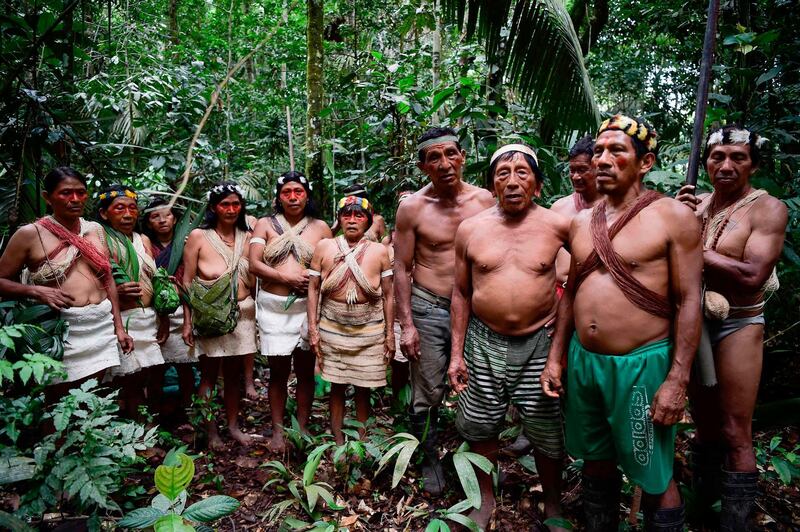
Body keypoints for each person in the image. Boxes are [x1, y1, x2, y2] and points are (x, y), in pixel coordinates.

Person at [540, 114, 703, 531]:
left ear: (644, 163)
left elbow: (688, 302)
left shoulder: (672, 218)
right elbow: (570, 294)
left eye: (617, 151)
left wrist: (677, 380)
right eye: (598, 151)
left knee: (652, 470)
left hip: (641, 366)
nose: (603, 160)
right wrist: (556, 357)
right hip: (584, 362)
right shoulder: (580, 223)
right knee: (595, 459)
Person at [448, 144, 570, 529]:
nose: (513, 181)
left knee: (546, 429)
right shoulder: (471, 229)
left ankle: (553, 504)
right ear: (492, 184)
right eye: (503, 173)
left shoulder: (557, 225)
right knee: (482, 425)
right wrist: (456, 353)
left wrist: (556, 355)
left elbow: (581, 282)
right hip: (484, 340)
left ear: (537, 184)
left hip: (538, 342)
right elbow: (461, 293)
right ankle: (484, 500)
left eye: (522, 173)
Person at [675, 126, 787, 531]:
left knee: (735, 430)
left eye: (737, 158)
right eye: (717, 156)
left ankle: (735, 522)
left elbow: (754, 274)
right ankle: (702, 508)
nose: (725, 165)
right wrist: (678, 219)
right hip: (696, 325)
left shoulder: (766, 209)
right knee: (705, 428)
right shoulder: (698, 205)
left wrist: (694, 247)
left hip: (739, 324)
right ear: (705, 162)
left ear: (753, 165)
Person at [394, 126, 495, 495]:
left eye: (450, 153)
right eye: (433, 158)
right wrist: (407, 324)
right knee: (428, 385)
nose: (444, 163)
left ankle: (475, 455)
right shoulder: (413, 208)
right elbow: (402, 268)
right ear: (423, 167)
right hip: (430, 304)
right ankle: (429, 457)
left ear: (463, 156)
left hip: (478, 307)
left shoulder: (486, 201)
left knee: (482, 382)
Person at [505, 135, 601, 458]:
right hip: (556, 297)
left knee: (577, 371)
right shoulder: (560, 208)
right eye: (572, 170)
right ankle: (534, 432)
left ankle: (575, 439)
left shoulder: (609, 209)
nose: (576, 177)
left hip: (590, 299)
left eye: (583, 170)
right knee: (551, 364)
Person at [0, 167, 132, 396]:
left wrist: (119, 328)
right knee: (57, 398)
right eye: (65, 193)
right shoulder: (30, 234)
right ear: (47, 197)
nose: (75, 199)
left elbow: (107, 278)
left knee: (93, 395)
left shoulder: (95, 230)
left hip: (100, 324)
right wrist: (37, 291)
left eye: (81, 192)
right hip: (61, 329)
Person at [249, 171, 332, 452]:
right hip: (273, 310)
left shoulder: (320, 227)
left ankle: (302, 427)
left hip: (306, 309)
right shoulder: (265, 225)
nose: (293, 197)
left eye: (298, 191)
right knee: (278, 373)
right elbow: (254, 264)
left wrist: (311, 283)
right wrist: (287, 279)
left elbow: (330, 265)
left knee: (306, 371)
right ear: (278, 197)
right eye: (287, 192)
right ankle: (278, 432)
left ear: (307, 195)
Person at [307, 196, 394, 444]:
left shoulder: (379, 251)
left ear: (368, 221)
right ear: (339, 219)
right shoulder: (325, 247)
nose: (352, 220)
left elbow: (389, 295)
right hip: (332, 330)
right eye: (347, 215)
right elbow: (313, 288)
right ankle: (338, 441)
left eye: (359, 216)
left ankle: (362, 441)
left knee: (363, 388)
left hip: (369, 332)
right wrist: (313, 329)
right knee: (336, 385)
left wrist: (389, 336)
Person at [183, 181, 257, 449]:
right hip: (210, 316)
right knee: (209, 375)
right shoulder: (198, 237)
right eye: (225, 204)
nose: (231, 209)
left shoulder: (248, 236)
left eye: (236, 204)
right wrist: (188, 322)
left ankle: (233, 426)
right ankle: (211, 431)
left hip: (243, 314)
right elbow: (188, 281)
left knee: (235, 374)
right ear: (214, 207)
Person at [97, 185, 166, 419]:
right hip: (120, 320)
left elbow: (154, 279)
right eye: (120, 208)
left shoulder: (143, 239)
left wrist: (163, 316)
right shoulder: (100, 239)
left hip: (147, 318)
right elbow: (91, 282)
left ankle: (143, 428)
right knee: (121, 379)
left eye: (132, 208)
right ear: (105, 213)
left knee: (143, 376)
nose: (127, 214)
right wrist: (116, 290)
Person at [141, 198, 197, 415]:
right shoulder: (145, 245)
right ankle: (155, 414)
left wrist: (188, 321)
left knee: (185, 366)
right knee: (155, 368)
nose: (162, 220)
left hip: (184, 311)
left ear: (176, 219)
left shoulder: (187, 243)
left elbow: (191, 281)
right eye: (155, 216)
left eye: (167, 215)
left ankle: (189, 412)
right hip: (155, 314)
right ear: (148, 222)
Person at [383, 190, 414, 413]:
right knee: (399, 367)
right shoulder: (386, 248)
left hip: (422, 312)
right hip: (395, 316)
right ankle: (398, 407)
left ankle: (421, 411)